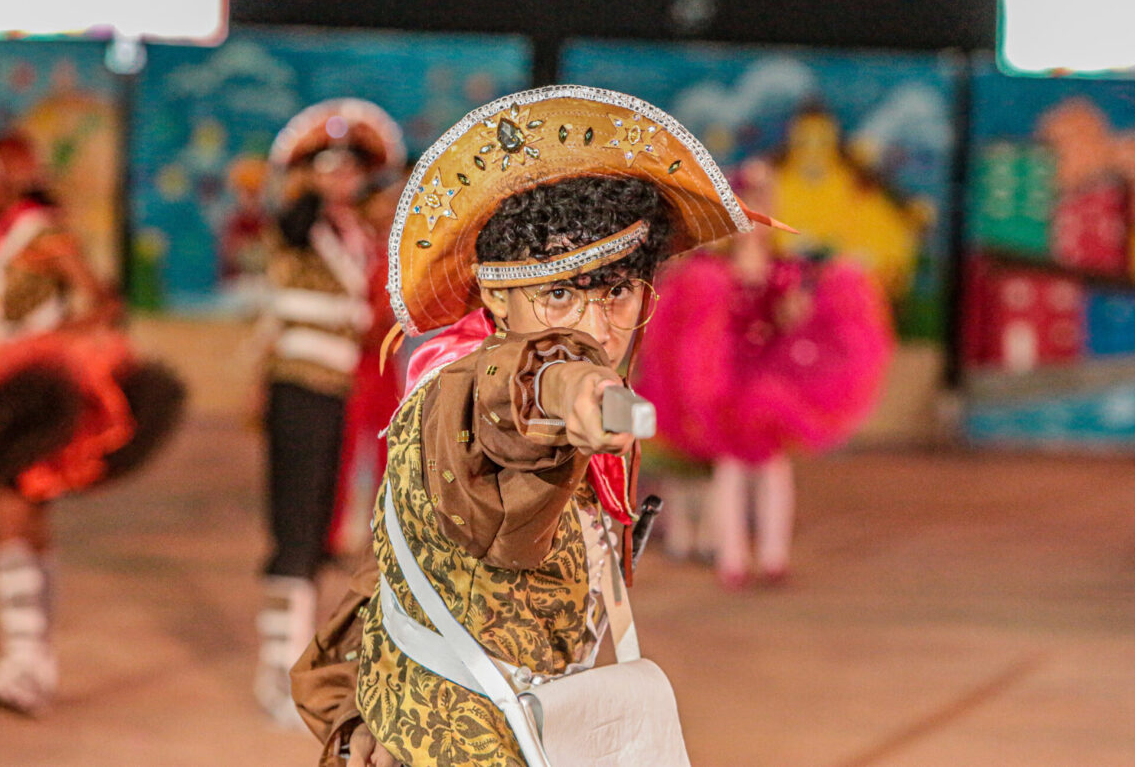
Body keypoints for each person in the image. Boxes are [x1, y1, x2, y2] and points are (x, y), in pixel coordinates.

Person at [290, 87, 787, 766]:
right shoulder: (463, 386)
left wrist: (355, 716)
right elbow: (526, 386)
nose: (593, 328)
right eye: (557, 294)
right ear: (496, 295)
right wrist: (571, 389)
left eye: (617, 292)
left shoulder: (576, 396)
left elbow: (387, 578)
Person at [0, 130, 184, 715]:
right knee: (21, 518)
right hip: (0, 392)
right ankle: (29, 662)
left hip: (30, 401)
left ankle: (26, 664)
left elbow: (101, 301)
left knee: (8, 516)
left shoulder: (40, 231)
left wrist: (41, 348)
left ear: (11, 178)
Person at [635, 160, 894, 588]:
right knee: (731, 468)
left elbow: (789, 317)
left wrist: (798, 314)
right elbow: (696, 323)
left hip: (768, 379)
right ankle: (733, 557)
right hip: (725, 380)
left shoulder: (783, 269)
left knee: (771, 467)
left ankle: (773, 555)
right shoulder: (713, 271)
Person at [253, 100, 405, 726]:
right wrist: (307, 190)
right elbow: (291, 221)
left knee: (318, 531)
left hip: (337, 391)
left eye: (350, 169)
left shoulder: (355, 232)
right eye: (328, 167)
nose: (342, 178)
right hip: (298, 387)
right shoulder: (302, 221)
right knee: (294, 532)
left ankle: (296, 668)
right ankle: (278, 674)